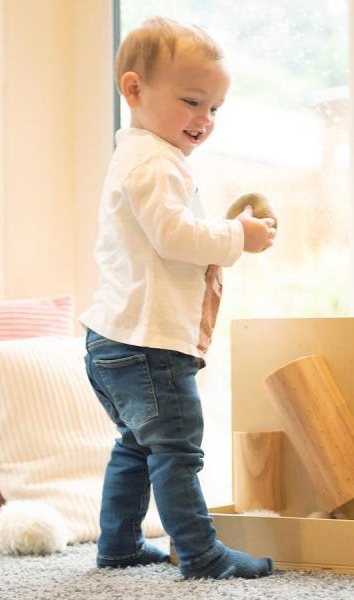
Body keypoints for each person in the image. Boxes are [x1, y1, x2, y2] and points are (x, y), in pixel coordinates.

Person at [79, 16, 276, 580]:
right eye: (192, 101)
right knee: (177, 452)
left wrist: (221, 229)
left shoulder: (139, 158)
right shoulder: (154, 163)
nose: (204, 119)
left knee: (137, 446)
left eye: (215, 108)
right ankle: (202, 553)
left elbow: (167, 236)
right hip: (147, 346)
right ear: (134, 90)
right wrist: (240, 234)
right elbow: (176, 236)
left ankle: (116, 545)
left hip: (115, 340)